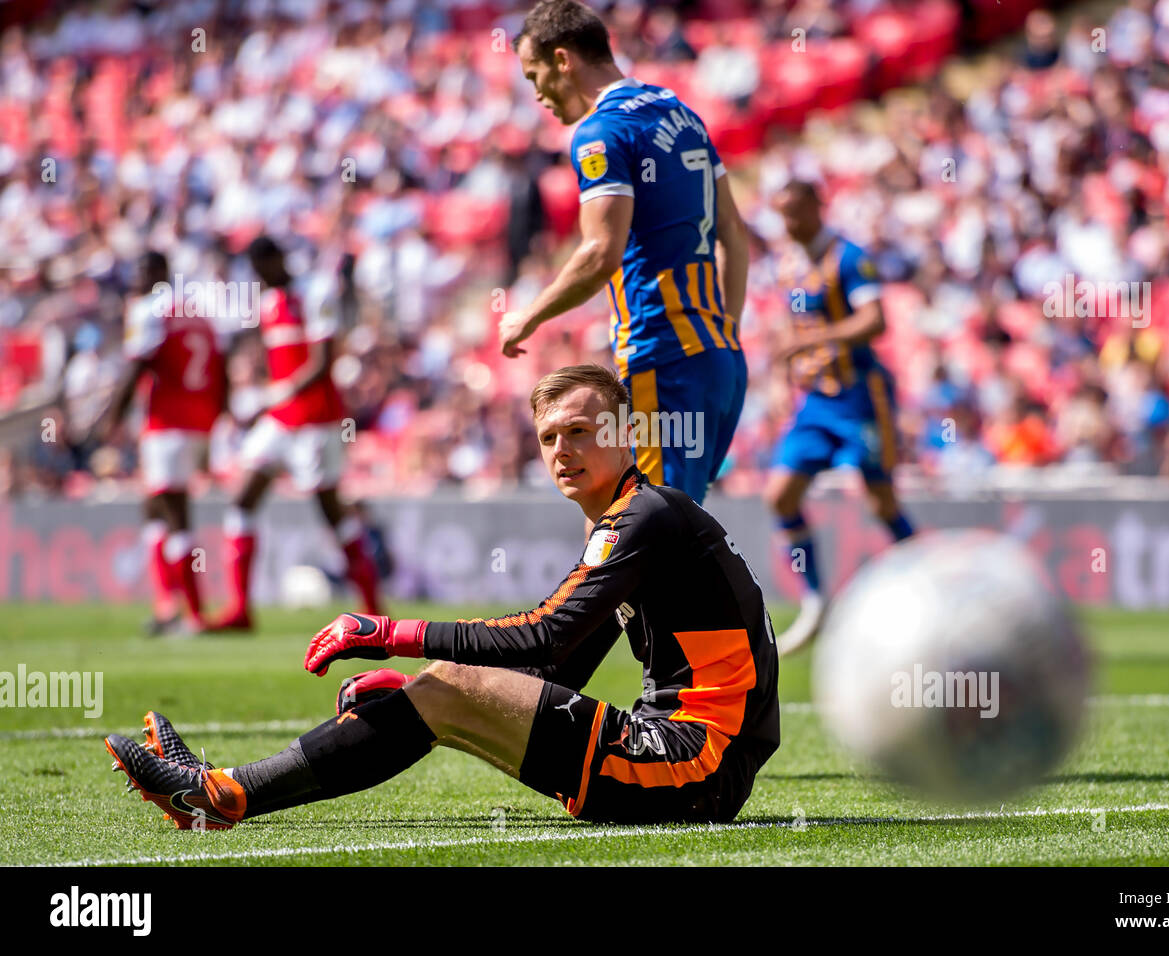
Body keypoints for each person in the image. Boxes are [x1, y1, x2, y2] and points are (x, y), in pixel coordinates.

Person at [105, 365, 780, 827]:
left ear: (624, 435)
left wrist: (391, 632)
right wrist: (413, 684)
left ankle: (223, 794)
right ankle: (222, 789)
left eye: (580, 431)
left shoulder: (645, 517)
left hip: (696, 764)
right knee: (439, 690)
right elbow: (560, 668)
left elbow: (544, 633)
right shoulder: (631, 516)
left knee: (445, 687)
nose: (561, 450)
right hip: (693, 761)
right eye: (549, 437)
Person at [498, 0, 751, 505]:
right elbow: (734, 237)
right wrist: (725, 331)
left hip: (663, 355)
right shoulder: (682, 116)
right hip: (718, 360)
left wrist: (528, 315)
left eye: (534, 75)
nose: (538, 94)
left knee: (652, 528)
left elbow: (600, 253)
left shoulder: (601, 132)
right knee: (670, 526)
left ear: (562, 60)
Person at [764, 181, 917, 656]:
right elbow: (790, 331)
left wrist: (810, 343)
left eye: (795, 212)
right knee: (780, 495)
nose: (788, 224)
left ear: (816, 206)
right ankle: (816, 599)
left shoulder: (849, 258)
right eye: (781, 215)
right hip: (815, 401)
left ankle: (930, 584)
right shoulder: (789, 264)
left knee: (880, 501)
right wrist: (779, 378)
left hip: (859, 399)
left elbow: (875, 320)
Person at [209, 236, 382, 630]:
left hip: (317, 421)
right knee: (241, 499)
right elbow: (280, 363)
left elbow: (322, 363)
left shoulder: (315, 291)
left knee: (330, 511)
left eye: (261, 270)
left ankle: (374, 610)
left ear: (276, 260)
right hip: (281, 420)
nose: (260, 279)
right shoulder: (270, 304)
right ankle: (239, 609)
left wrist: (275, 392)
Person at [89, 251, 227, 635]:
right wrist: (218, 416)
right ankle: (167, 603)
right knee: (155, 507)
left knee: (175, 511)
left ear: (159, 273)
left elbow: (138, 364)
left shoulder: (150, 309)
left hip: (168, 421)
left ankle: (195, 615)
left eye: (142, 270)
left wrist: (110, 418)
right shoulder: (196, 311)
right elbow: (221, 364)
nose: (135, 278)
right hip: (198, 419)